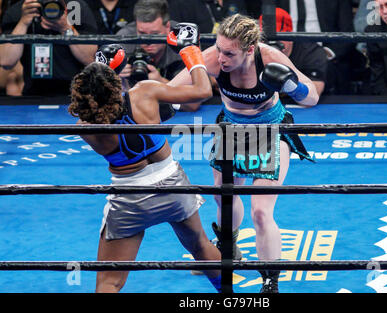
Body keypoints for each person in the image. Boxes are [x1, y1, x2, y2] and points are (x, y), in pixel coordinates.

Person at [169, 13, 318, 293]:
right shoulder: (212, 58)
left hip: (271, 129)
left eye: (229, 52)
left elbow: (312, 97)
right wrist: (162, 105)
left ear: (250, 49)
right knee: (223, 196)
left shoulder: (270, 57)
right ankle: (229, 245)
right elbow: (171, 91)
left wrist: (292, 86)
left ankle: (270, 282)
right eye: (219, 48)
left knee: (261, 211)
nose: (221, 57)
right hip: (232, 128)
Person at [68, 23, 222, 293]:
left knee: (109, 281)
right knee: (201, 247)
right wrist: (189, 49)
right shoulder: (145, 93)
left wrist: (103, 72)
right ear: (113, 82)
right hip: (173, 184)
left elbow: (98, 103)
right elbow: (202, 91)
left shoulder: (85, 127)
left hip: (130, 198)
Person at [0, 0, 98, 97]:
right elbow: (6, 61)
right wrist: (23, 23)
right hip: (34, 94)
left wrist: (66, 29)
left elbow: (90, 58)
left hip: (77, 94)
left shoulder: (76, 7)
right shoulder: (20, 10)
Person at [259, 7, 328, 97]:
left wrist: (286, 81)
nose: (273, 43)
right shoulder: (251, 52)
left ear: (290, 37)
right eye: (266, 39)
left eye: (279, 37)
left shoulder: (311, 52)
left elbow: (314, 94)